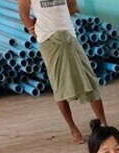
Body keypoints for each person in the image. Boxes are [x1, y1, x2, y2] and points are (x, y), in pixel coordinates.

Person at [17, 0, 105, 145]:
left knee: (89, 78)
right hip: (48, 39)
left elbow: (73, 5)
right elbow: (23, 14)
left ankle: (104, 126)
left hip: (69, 34)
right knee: (58, 83)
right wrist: (33, 29)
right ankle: (73, 130)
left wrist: (60, 19)